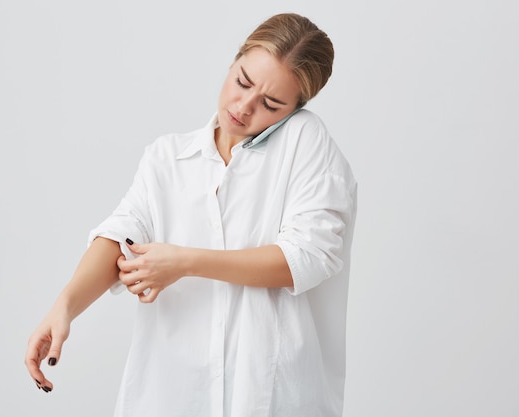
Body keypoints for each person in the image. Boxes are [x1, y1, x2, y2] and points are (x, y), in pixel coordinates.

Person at [25, 12, 357, 417]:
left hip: (270, 399)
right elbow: (121, 235)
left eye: (271, 103)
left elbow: (307, 257)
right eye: (242, 82)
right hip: (173, 394)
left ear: (295, 109)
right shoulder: (167, 157)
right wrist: (65, 306)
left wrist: (184, 262)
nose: (244, 106)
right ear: (233, 62)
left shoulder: (306, 143)